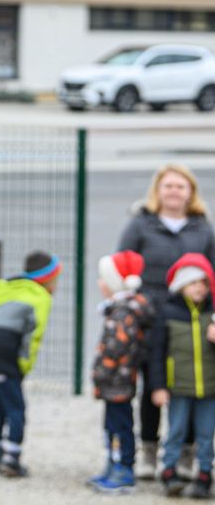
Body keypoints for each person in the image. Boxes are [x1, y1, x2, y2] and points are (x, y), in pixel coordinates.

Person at [118, 164, 215, 479]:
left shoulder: (202, 229)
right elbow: (123, 265)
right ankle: (149, 449)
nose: (174, 191)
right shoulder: (141, 225)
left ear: (190, 193)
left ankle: (187, 452)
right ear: (158, 191)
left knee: (192, 385)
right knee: (153, 383)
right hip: (151, 318)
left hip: (191, 320)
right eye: (168, 186)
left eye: (180, 186)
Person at [0, 250, 61, 478]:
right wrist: (23, 367)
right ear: (47, 279)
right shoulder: (40, 298)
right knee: (16, 409)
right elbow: (33, 338)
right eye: (56, 279)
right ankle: (12, 460)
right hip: (4, 359)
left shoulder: (6, 290)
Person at [149, 253, 215, 498]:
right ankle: (169, 471)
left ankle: (205, 474)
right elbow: (157, 353)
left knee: (206, 434)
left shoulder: (212, 314)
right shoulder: (167, 313)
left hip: (209, 387)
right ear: (180, 285)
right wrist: (158, 386)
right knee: (175, 430)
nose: (199, 288)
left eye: (203, 282)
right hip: (178, 386)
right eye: (193, 282)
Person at [87, 250, 154, 494]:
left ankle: (123, 469)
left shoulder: (122, 313)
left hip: (117, 381)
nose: (99, 283)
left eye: (103, 278)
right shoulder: (119, 309)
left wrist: (100, 372)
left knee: (119, 426)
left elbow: (115, 348)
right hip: (116, 381)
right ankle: (113, 464)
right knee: (112, 425)